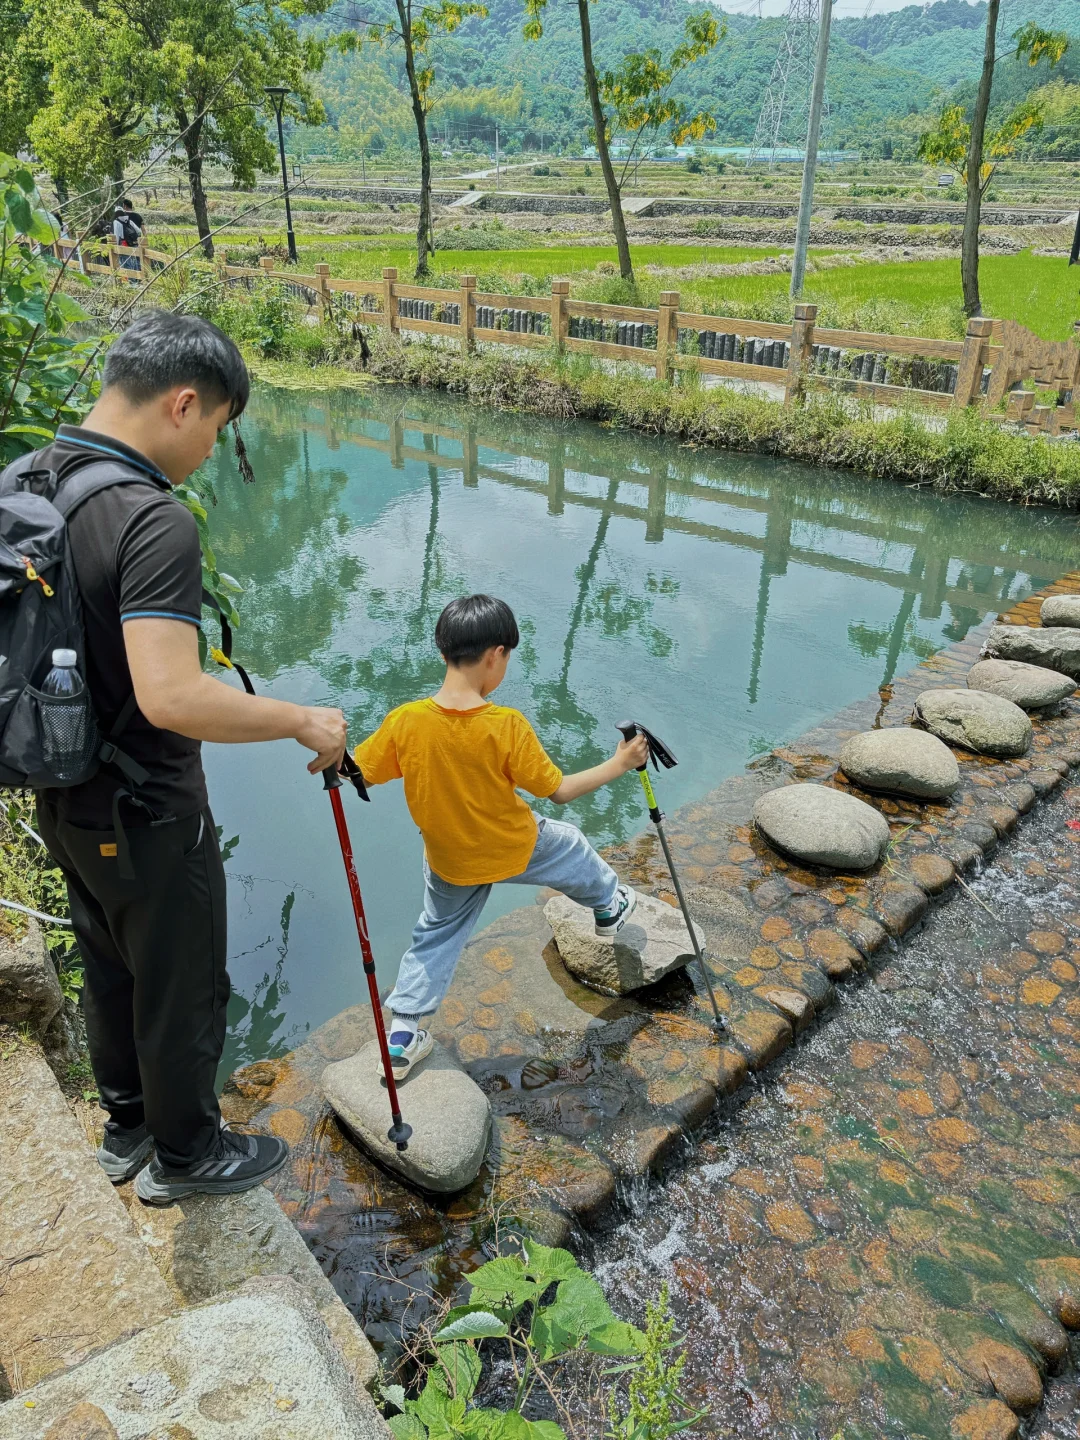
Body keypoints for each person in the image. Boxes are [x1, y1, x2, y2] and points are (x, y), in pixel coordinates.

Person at [31, 311, 347, 1204]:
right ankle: (189, 1154)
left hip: (61, 790)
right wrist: (299, 719)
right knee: (182, 984)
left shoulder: (29, 481)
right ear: (182, 403)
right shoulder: (150, 518)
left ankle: (127, 1126)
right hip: (148, 809)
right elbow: (170, 695)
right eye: (217, 428)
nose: (211, 451)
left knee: (107, 962)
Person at [354, 594, 648, 1079]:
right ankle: (608, 906)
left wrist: (333, 753)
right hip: (514, 846)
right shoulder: (505, 725)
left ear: (443, 651)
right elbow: (559, 791)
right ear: (496, 655)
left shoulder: (406, 720)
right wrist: (621, 762)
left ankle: (403, 1032)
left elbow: (357, 773)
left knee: (435, 936)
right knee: (571, 845)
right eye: (508, 657)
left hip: (450, 860)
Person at [112, 198, 141, 274]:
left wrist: (116, 247)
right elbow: (139, 231)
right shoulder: (129, 221)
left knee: (126, 263)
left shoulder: (116, 222)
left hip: (124, 244)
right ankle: (138, 278)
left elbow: (116, 235)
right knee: (136, 262)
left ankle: (131, 279)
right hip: (133, 243)